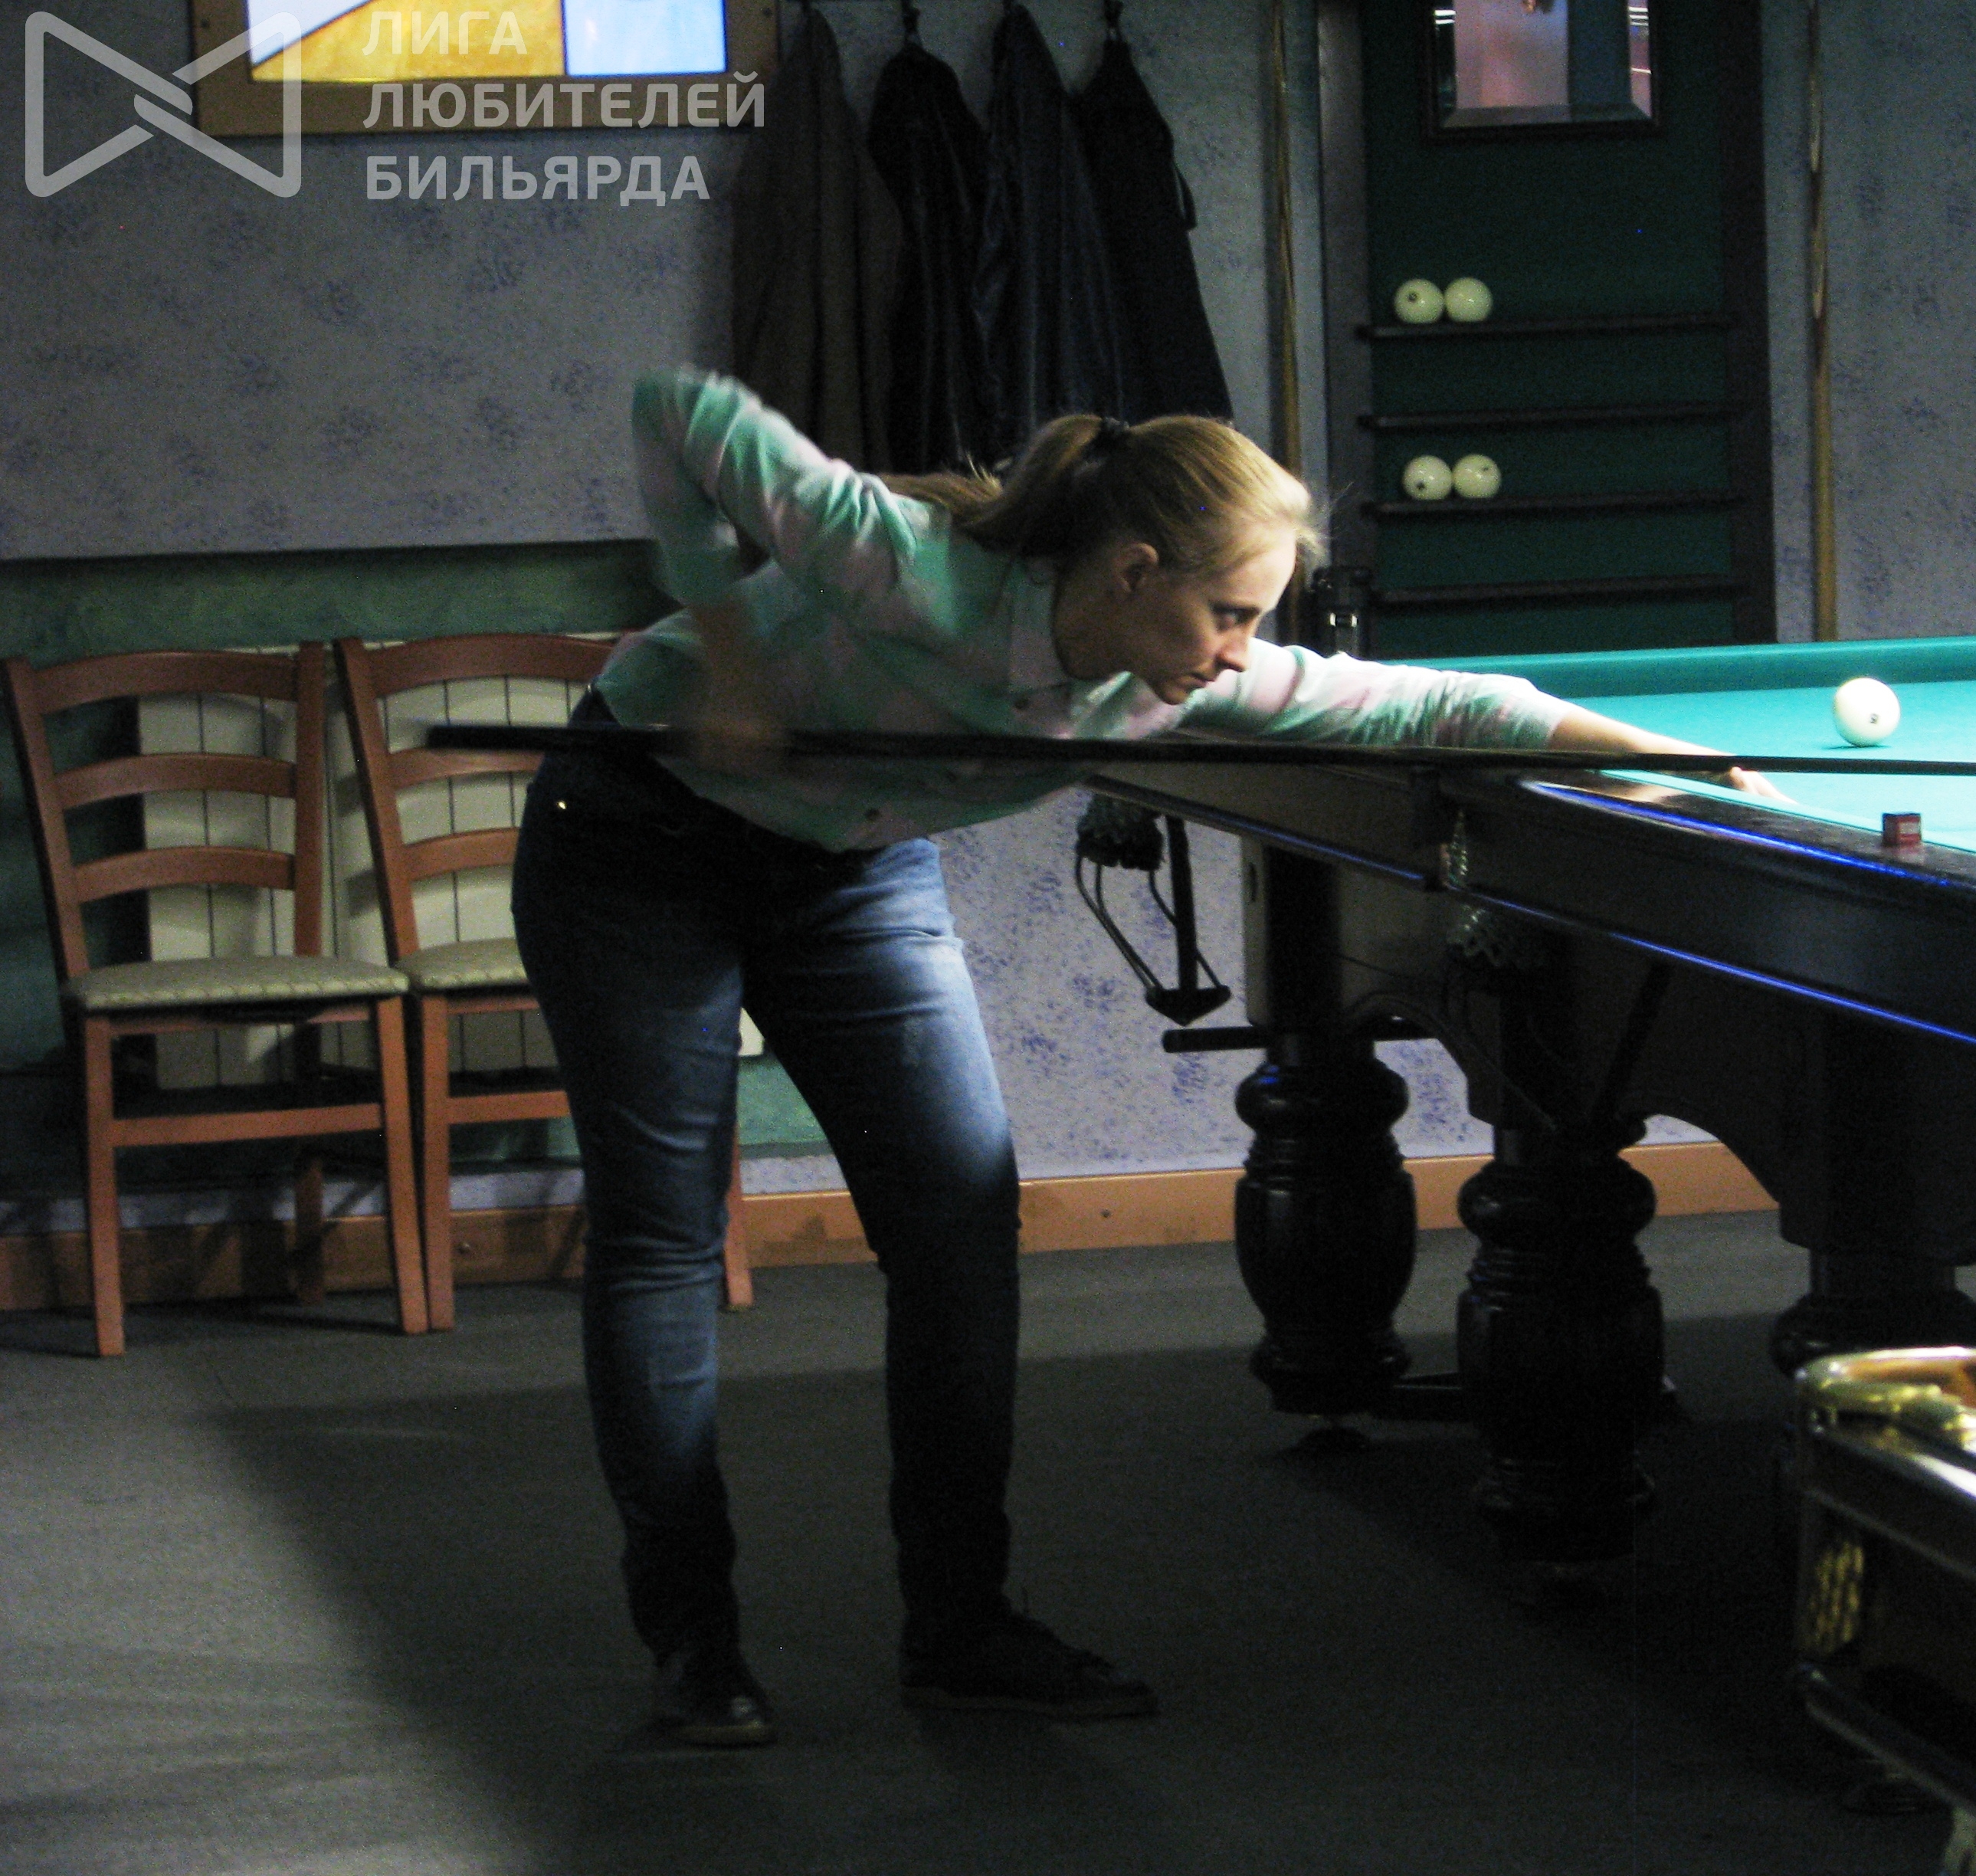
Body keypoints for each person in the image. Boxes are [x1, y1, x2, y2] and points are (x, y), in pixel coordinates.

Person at [511, 368, 1771, 1747]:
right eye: (1230, 613)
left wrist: (1665, 754)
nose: (1241, 653)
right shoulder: (904, 565)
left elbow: (1428, 707)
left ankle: (963, 1625)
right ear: (1131, 569)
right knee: (666, 1236)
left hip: (850, 870)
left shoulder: (1161, 686)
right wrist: (729, 650)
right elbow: (678, 409)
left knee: (959, 1220)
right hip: (639, 834)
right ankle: (693, 1642)